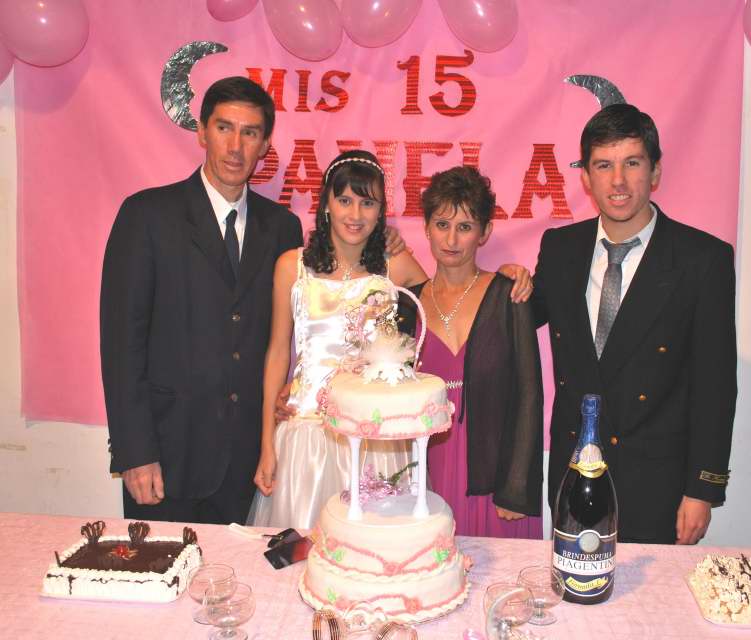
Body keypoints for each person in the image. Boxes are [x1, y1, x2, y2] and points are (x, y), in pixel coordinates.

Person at [100, 78, 410, 524]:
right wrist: (135, 451)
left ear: (265, 144)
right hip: (168, 455)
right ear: (201, 132)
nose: (235, 146)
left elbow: (284, 336)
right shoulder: (147, 216)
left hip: (252, 465)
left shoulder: (281, 229)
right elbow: (121, 346)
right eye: (224, 128)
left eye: (250, 133)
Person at [532, 103, 737, 544]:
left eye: (632, 163)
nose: (618, 181)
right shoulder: (560, 248)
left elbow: (716, 385)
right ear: (586, 177)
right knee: (572, 587)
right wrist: (505, 281)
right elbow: (517, 318)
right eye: (603, 165)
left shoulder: (703, 260)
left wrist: (702, 489)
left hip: (657, 483)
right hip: (572, 470)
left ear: (655, 171)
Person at [249, 150, 428, 529]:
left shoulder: (395, 267)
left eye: (367, 203)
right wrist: (266, 443)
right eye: (344, 200)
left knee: (372, 547)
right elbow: (278, 353)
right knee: (301, 547)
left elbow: (445, 302)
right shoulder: (292, 266)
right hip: (304, 435)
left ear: (380, 211)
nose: (355, 214)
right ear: (326, 204)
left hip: (374, 439)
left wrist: (508, 276)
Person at [398, 166, 543, 538]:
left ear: (485, 232)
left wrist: (517, 487)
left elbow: (529, 393)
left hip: (495, 475)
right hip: (429, 471)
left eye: (465, 227)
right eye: (442, 224)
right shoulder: (408, 306)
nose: (451, 239)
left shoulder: (509, 293)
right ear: (426, 228)